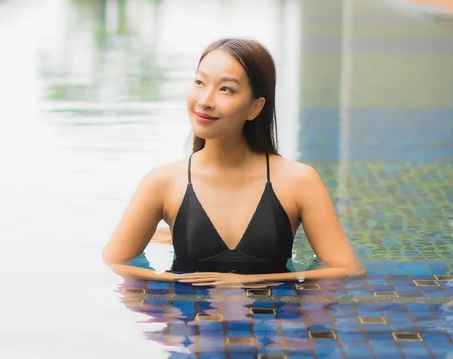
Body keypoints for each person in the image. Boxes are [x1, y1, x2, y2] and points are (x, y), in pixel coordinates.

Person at [102, 38, 364, 287]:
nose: (205, 101)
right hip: (191, 324)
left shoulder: (298, 181)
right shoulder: (163, 182)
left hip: (272, 322)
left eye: (226, 89)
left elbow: (347, 268)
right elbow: (113, 262)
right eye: (199, 82)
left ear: (255, 107)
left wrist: (252, 282)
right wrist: (172, 281)